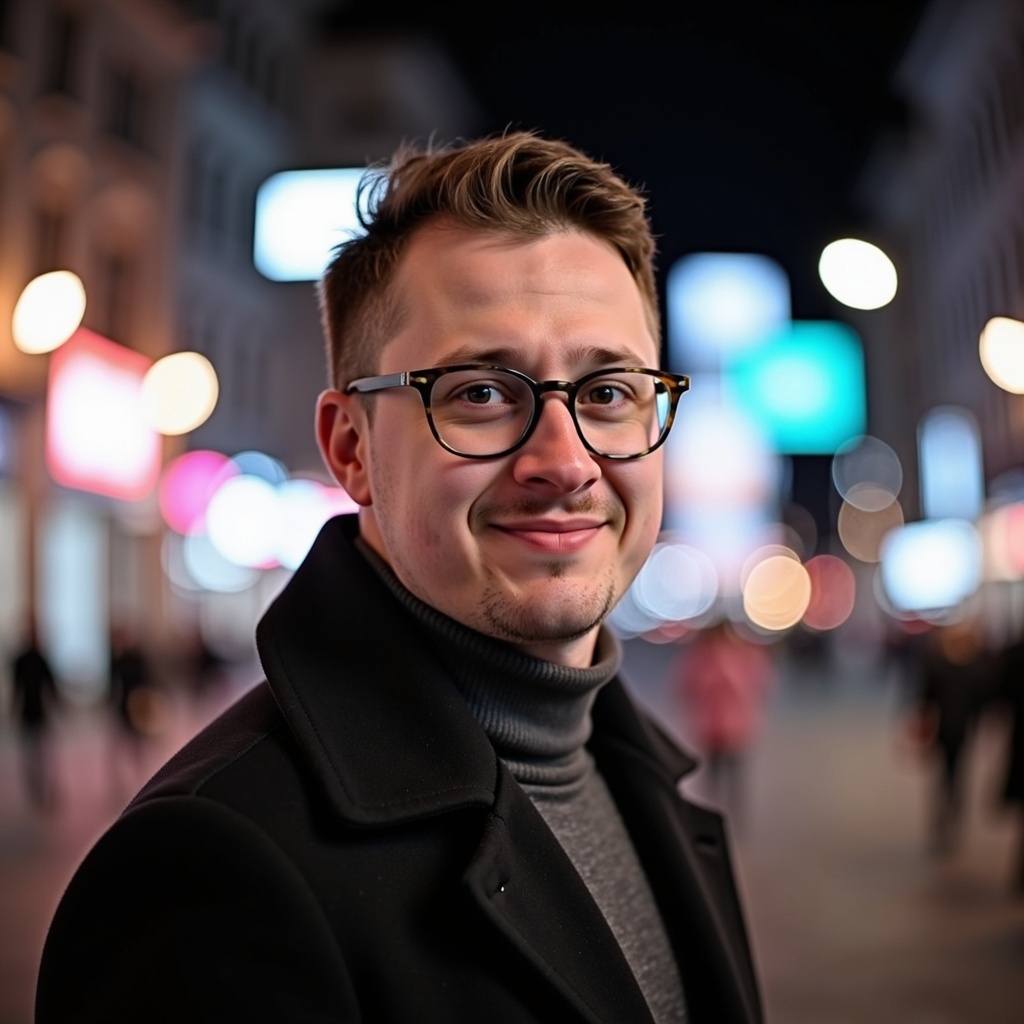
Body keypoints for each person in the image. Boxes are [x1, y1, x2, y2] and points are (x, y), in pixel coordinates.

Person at [36, 130, 762, 1023]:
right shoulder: (211, 864)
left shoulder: (638, 773)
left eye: (608, 393)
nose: (565, 462)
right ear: (353, 449)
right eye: (482, 394)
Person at [907, 617, 995, 855]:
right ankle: (952, 810)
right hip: (961, 729)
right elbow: (983, 700)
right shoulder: (974, 668)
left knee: (947, 772)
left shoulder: (939, 665)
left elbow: (924, 697)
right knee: (957, 772)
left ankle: (946, 811)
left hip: (945, 728)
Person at [673, 619, 776, 821]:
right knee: (715, 771)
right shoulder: (701, 658)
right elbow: (687, 687)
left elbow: (759, 685)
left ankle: (732, 811)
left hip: (735, 726)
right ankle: (715, 809)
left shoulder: (743, 656)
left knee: (734, 772)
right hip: (713, 725)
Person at [9, 617, 61, 811]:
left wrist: (57, 705)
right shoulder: (20, 660)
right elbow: (17, 688)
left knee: (45, 754)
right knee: (31, 755)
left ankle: (46, 788)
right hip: (27, 713)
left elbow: (51, 685)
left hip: (42, 713)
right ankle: (36, 789)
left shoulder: (42, 658)